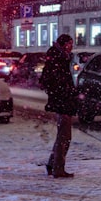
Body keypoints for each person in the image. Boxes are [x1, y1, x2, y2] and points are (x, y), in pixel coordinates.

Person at [40, 33, 78, 178]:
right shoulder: (58, 59)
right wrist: (66, 95)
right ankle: (58, 168)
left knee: (62, 136)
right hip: (62, 102)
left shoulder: (57, 58)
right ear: (64, 45)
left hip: (61, 101)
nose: (71, 47)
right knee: (64, 136)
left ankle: (53, 164)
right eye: (69, 44)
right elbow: (57, 82)